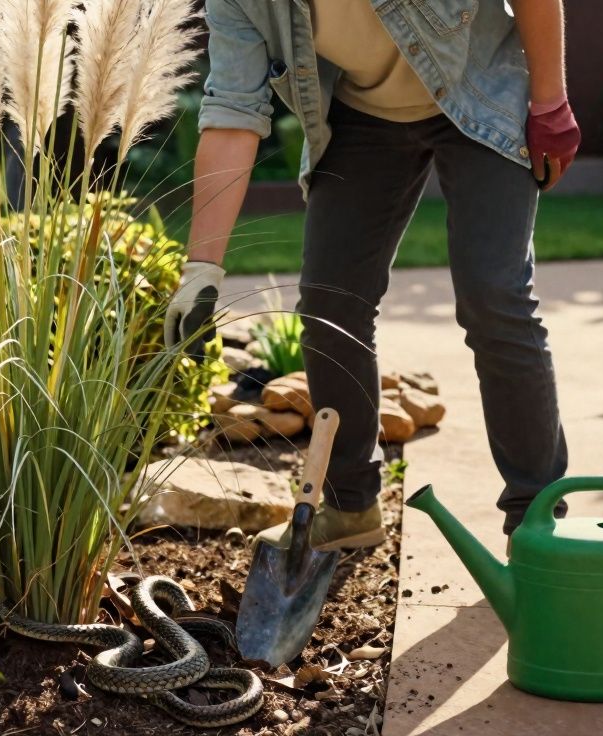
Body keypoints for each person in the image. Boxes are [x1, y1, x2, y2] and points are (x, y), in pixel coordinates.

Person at [163, 0, 580, 549]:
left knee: (493, 293)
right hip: (363, 115)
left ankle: (538, 519)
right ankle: (349, 506)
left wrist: (550, 101)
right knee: (329, 305)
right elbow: (233, 111)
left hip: (479, 84)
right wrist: (201, 269)